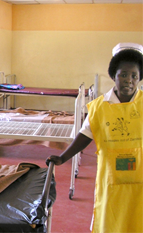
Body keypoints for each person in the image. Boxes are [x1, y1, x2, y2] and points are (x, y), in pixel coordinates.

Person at [46, 46, 143, 233]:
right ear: (114, 75)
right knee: (109, 217)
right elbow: (85, 135)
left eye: (134, 76)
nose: (129, 81)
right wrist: (63, 158)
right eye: (124, 75)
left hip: (140, 176)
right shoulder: (100, 107)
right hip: (111, 177)